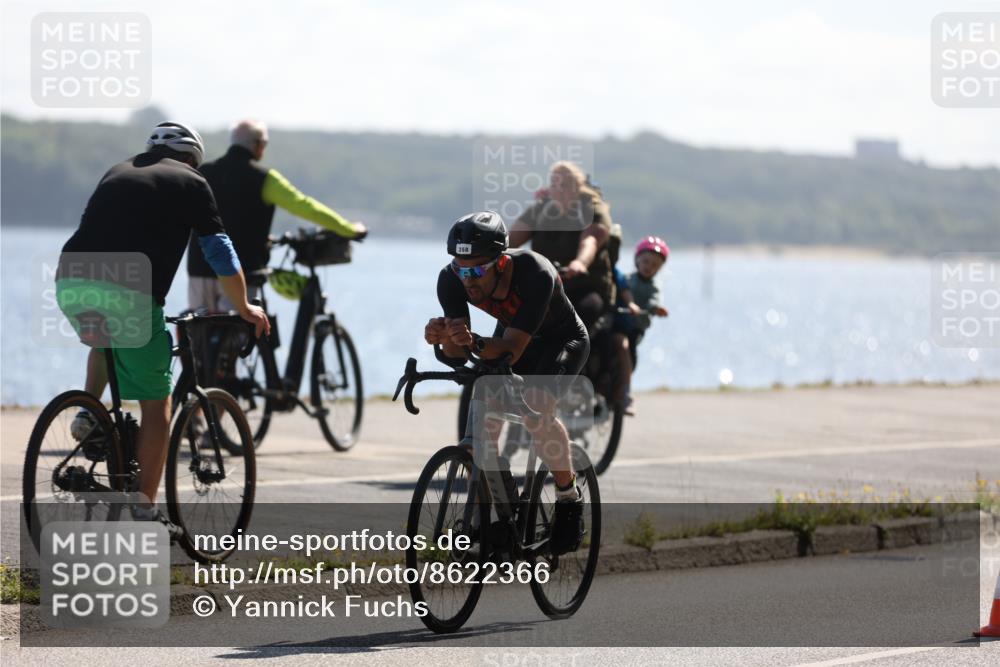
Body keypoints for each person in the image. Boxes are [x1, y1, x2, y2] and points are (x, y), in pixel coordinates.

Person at [58, 121, 269, 533]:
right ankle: (143, 511)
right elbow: (219, 251)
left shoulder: (118, 170)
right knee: (157, 405)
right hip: (131, 291)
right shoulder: (193, 181)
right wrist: (243, 306)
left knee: (105, 339)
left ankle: (89, 412)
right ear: (192, 159)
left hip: (70, 280)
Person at [425, 211, 589, 554]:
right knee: (481, 429)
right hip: (510, 336)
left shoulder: (535, 273)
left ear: (500, 263)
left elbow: (512, 349)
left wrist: (471, 342)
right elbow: (458, 354)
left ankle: (568, 497)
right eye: (461, 269)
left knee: (537, 408)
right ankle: (500, 511)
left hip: (560, 341)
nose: (467, 280)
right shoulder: (450, 279)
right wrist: (445, 338)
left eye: (476, 271)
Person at [186, 119, 367, 311]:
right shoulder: (264, 178)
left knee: (197, 326)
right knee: (238, 328)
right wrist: (348, 229)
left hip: (199, 268)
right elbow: (305, 206)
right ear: (258, 144)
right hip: (241, 274)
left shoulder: (202, 172)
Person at [509, 161, 615, 335]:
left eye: (565, 185)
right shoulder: (539, 209)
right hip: (546, 286)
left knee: (584, 312)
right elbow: (511, 240)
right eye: (554, 184)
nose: (559, 190)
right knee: (513, 316)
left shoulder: (592, 209)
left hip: (584, 286)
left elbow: (590, 240)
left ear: (578, 187)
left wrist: (580, 263)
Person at [611, 236, 670, 414]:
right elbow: (617, 290)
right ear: (637, 260)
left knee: (626, 349)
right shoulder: (627, 279)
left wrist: (655, 308)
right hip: (616, 321)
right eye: (645, 261)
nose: (648, 267)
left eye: (654, 265)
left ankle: (627, 394)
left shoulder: (653, 287)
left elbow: (654, 300)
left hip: (633, 328)